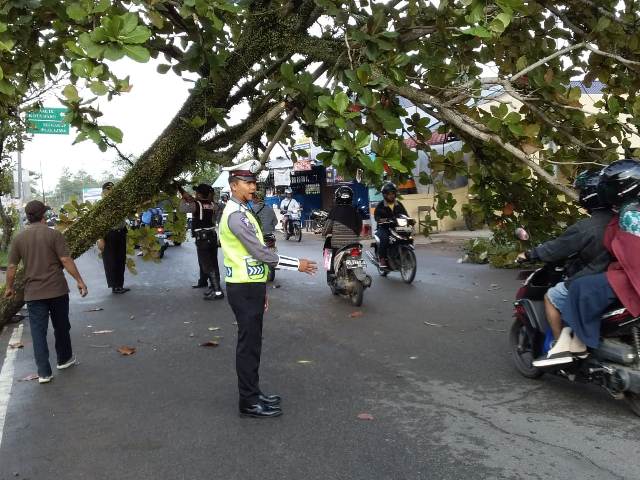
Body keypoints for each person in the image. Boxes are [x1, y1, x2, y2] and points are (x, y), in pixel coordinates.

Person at [219, 160, 317, 418]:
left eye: (254, 183)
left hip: (251, 286)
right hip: (243, 288)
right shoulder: (235, 216)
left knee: (253, 344)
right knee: (248, 346)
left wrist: (262, 291)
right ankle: (248, 402)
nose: (253, 187)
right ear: (234, 186)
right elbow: (261, 253)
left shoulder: (244, 210)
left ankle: (253, 393)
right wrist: (298, 265)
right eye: (248, 183)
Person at [535, 159, 640, 367]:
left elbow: (632, 252)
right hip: (624, 270)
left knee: (580, 287)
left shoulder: (628, 213)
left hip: (630, 274)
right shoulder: (624, 210)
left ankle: (573, 345)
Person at [515, 170, 613, 366]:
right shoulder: (622, 219)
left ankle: (562, 347)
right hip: (617, 276)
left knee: (551, 296)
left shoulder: (587, 227)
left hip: (595, 278)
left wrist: (529, 254)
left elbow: (556, 248)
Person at [4, 200, 88, 384]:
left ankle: (43, 373)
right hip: (57, 290)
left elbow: (11, 267)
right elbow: (65, 260)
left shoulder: (19, 239)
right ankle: (64, 359)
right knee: (62, 326)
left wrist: (9, 288)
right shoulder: (54, 235)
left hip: (34, 293)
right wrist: (80, 281)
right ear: (43, 215)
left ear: (28, 217)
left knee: (38, 332)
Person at [178, 183, 223, 300]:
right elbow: (215, 212)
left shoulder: (195, 205)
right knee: (214, 263)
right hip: (212, 235)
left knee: (207, 265)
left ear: (198, 194)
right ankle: (215, 288)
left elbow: (182, 208)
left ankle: (217, 291)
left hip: (202, 238)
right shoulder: (214, 204)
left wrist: (184, 198)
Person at [322, 186, 362, 280]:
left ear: (337, 198)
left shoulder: (334, 211)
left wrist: (324, 233)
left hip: (337, 245)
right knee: (358, 256)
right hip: (354, 244)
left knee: (327, 252)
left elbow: (327, 227)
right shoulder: (355, 211)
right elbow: (359, 227)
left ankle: (330, 273)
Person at [97, 182, 130, 294]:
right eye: (108, 189)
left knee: (121, 259)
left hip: (120, 233)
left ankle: (120, 285)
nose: (111, 191)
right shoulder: (101, 205)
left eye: (112, 189)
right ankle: (114, 286)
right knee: (111, 261)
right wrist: (100, 238)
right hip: (109, 235)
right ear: (104, 191)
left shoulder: (119, 203)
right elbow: (99, 223)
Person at [374, 182, 408, 268]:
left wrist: (409, 220)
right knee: (384, 239)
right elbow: (377, 217)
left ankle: (405, 253)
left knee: (407, 235)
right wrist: (383, 220)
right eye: (389, 194)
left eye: (393, 193)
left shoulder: (399, 204)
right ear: (385, 195)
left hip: (397, 227)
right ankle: (382, 259)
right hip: (384, 228)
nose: (391, 195)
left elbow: (405, 215)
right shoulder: (380, 205)